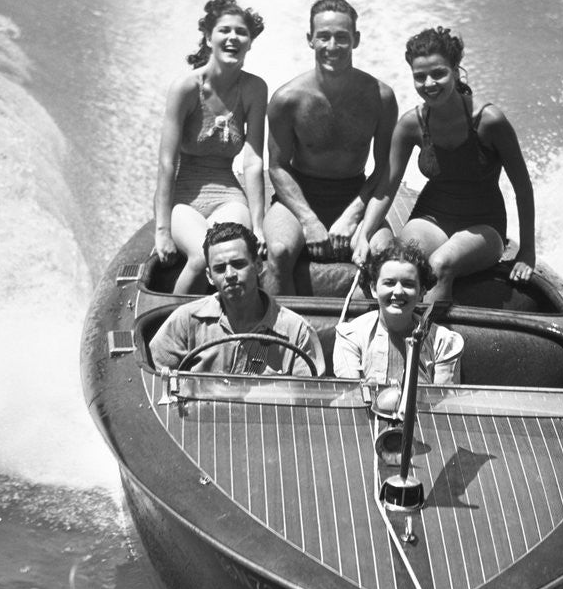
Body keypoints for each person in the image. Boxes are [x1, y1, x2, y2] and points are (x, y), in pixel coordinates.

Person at [355, 26, 535, 301]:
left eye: (438, 73)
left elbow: (523, 188)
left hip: (483, 224)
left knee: (440, 265)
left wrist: (527, 252)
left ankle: (424, 342)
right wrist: (364, 234)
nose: (429, 83)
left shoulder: (489, 121)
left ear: (455, 69)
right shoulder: (410, 124)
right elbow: (387, 187)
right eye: (420, 76)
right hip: (431, 217)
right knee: (404, 266)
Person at [262, 0, 398, 295]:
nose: (332, 46)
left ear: (356, 40)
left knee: (383, 255)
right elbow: (276, 167)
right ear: (310, 40)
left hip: (355, 194)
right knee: (281, 250)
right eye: (323, 36)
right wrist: (308, 220)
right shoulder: (287, 99)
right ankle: (274, 337)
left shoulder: (381, 97)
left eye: (341, 37)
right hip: (298, 196)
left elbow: (386, 167)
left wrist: (353, 215)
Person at [153, 0, 268, 295]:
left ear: (250, 42)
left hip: (229, 196)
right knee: (203, 255)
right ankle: (174, 330)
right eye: (225, 30)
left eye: (241, 32)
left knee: (236, 258)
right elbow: (167, 164)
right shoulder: (186, 88)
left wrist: (258, 226)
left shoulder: (255, 89)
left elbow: (253, 162)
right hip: (185, 198)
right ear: (208, 36)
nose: (233, 38)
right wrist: (162, 230)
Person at [150, 222, 325, 376]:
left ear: (257, 266)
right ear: (209, 277)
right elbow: (156, 384)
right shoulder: (186, 321)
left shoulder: (296, 331)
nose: (230, 275)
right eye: (219, 268)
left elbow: (309, 401)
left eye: (238, 264)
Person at [333, 238, 463, 384]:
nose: (398, 291)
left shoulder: (442, 342)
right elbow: (352, 398)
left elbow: (442, 403)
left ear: (422, 292)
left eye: (408, 284)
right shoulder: (351, 336)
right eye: (389, 283)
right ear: (374, 289)